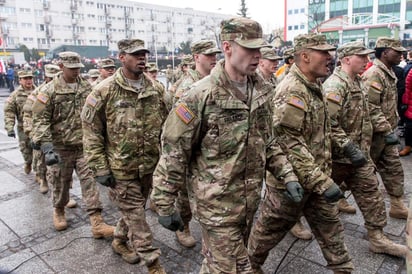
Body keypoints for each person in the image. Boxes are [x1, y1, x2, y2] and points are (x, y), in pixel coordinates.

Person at [151, 17, 299, 273]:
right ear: (228, 47)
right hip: (216, 207)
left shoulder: (261, 89)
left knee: (217, 264)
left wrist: (286, 175)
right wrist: (164, 202)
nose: (257, 55)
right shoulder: (200, 95)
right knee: (235, 268)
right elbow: (174, 151)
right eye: (249, 49)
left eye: (258, 49)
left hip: (248, 201)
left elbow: (269, 140)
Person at [247, 33, 354, 274]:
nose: (330, 57)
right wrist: (321, 181)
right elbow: (287, 142)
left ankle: (344, 268)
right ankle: (249, 266)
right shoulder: (292, 90)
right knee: (266, 235)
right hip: (290, 185)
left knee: (333, 234)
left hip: (317, 181)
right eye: (323, 53)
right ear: (305, 56)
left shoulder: (314, 84)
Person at [81, 39, 168, 273]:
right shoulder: (104, 90)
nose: (142, 58)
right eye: (135, 54)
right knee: (138, 218)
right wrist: (99, 167)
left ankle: (119, 240)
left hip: (149, 166)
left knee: (133, 211)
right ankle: (153, 263)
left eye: (144, 54)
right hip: (120, 170)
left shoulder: (155, 89)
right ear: (122, 57)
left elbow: (169, 125)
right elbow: (91, 131)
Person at [323, 41, 407, 257]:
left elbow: (370, 111)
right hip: (337, 158)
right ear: (347, 59)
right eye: (362, 57)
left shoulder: (359, 82)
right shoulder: (334, 87)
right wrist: (349, 147)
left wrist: (386, 131)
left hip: (359, 156)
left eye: (368, 57)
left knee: (372, 193)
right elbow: (328, 124)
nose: (367, 61)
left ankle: (377, 238)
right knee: (315, 201)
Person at [31, 51, 114, 237]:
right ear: (61, 67)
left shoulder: (86, 87)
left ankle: (97, 222)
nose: (76, 71)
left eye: (78, 68)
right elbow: (40, 119)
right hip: (61, 148)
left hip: (84, 146)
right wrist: (47, 146)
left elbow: (97, 112)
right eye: (72, 69)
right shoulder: (49, 91)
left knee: (90, 182)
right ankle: (59, 210)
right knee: (60, 183)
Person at [363, 37, 409, 219]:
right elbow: (371, 107)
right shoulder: (374, 74)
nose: (401, 54)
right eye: (396, 51)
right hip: (374, 136)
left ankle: (397, 204)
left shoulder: (388, 72)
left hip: (386, 134)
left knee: (394, 168)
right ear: (384, 53)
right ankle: (337, 197)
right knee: (360, 172)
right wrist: (385, 129)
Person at [22, 64, 60, 194]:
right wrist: (32, 134)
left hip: (58, 133)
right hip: (40, 131)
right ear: (46, 77)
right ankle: (43, 179)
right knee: (41, 160)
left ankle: (63, 192)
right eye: (51, 77)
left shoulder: (61, 90)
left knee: (59, 164)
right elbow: (27, 114)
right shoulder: (38, 92)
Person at [4, 70, 36, 174]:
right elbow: (9, 111)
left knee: (39, 151)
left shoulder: (39, 92)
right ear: (20, 80)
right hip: (23, 128)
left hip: (38, 127)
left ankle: (39, 174)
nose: (28, 81)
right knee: (26, 150)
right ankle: (28, 162)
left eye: (30, 78)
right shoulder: (15, 95)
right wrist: (9, 128)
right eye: (25, 78)